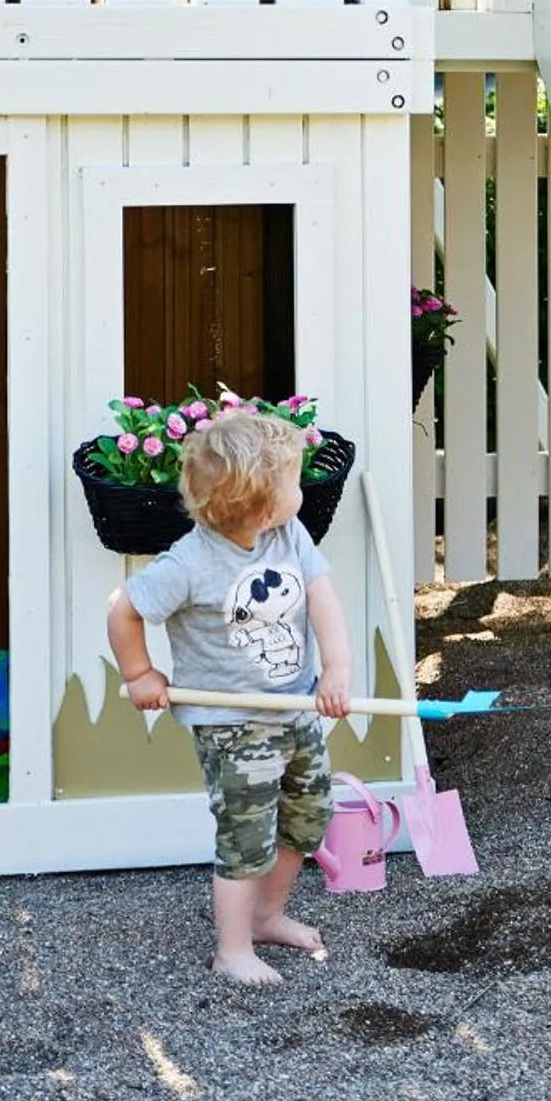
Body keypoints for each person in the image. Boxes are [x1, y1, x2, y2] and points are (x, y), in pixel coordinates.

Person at [107, 408, 353, 986]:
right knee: (245, 835)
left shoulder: (288, 533)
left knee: (307, 814)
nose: (301, 486)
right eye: (293, 480)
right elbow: (124, 607)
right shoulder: (190, 562)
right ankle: (232, 948)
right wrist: (142, 674)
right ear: (262, 504)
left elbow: (321, 597)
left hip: (296, 706)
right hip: (232, 726)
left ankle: (267, 917)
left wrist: (338, 669)